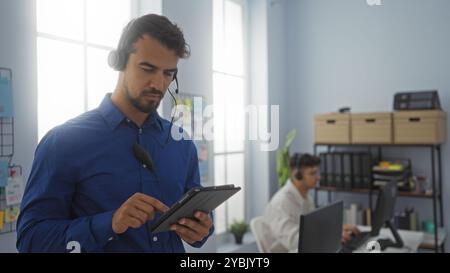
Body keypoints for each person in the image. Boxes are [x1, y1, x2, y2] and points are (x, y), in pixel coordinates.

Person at [16, 14, 213, 253]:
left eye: (168, 73)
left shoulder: (181, 144)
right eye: (147, 69)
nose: (159, 84)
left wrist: (201, 229)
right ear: (119, 62)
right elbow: (31, 240)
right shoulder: (63, 142)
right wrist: (109, 223)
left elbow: (198, 219)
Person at [261, 153, 359, 252]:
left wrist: (337, 228)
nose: (318, 177)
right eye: (312, 173)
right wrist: (331, 235)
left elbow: (313, 227)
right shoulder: (282, 203)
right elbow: (295, 241)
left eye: (317, 173)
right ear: (297, 175)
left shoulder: (306, 196)